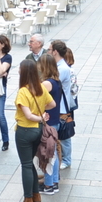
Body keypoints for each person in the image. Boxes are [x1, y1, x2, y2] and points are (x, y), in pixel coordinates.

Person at [14, 60, 55, 202]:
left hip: (25, 130)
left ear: (24, 72)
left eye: (20, 68)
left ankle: (28, 200)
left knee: (25, 164)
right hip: (38, 131)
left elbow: (28, 115)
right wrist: (43, 114)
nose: (18, 70)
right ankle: (36, 196)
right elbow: (52, 105)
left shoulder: (23, 91)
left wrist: (40, 117)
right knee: (29, 163)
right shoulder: (40, 88)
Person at [38, 53, 64, 194]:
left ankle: (48, 185)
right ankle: (54, 182)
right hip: (55, 121)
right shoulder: (56, 81)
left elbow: (38, 99)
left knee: (48, 154)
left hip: (48, 123)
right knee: (53, 153)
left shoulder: (46, 84)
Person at [49, 40, 75, 170]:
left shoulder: (63, 68)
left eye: (49, 49)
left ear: (55, 52)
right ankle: (61, 157)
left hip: (62, 108)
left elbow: (52, 83)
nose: (48, 52)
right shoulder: (57, 66)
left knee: (64, 134)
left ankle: (66, 159)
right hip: (57, 106)